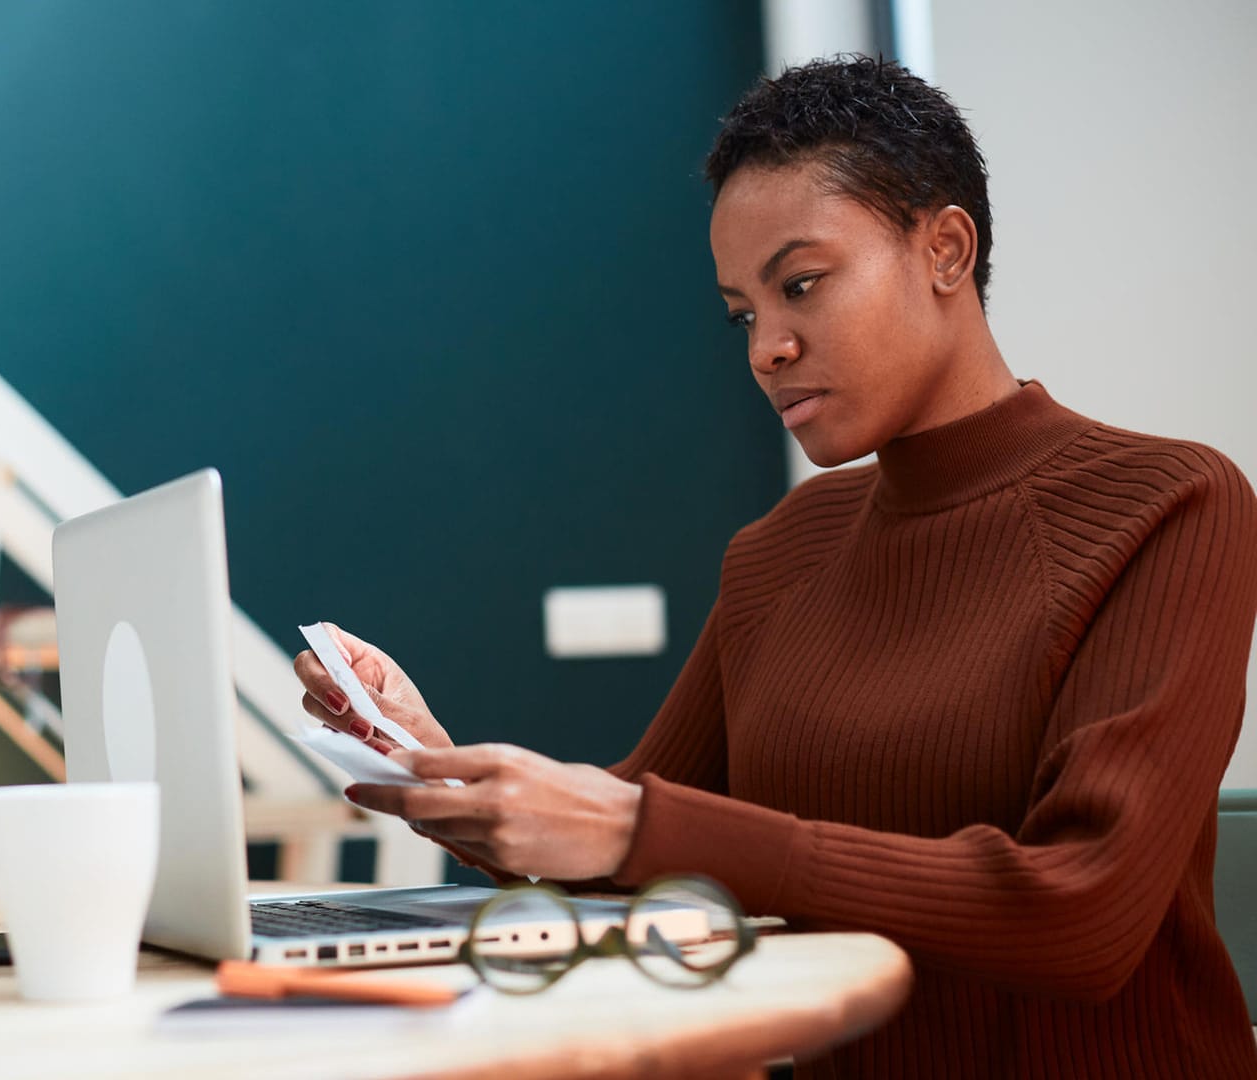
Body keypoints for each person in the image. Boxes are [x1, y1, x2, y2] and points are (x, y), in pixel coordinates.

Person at [295, 56, 1257, 1077]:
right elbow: (633, 858)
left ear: (944, 249)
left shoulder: (1171, 504)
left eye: (801, 285)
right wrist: (427, 758)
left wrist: (640, 828)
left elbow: (1082, 915)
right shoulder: (780, 551)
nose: (767, 348)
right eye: (744, 312)